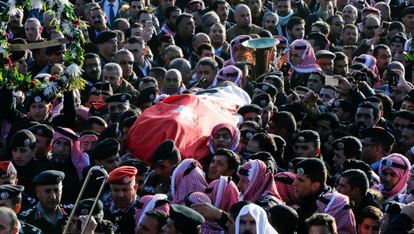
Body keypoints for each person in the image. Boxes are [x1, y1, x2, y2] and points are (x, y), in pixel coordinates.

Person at [293, 158, 331, 234]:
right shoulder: (310, 199)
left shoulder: (324, 208)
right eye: (295, 178)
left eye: (300, 180)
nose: (294, 183)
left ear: (315, 186)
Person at [104, 166, 138, 234]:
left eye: (125, 190)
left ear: (135, 188)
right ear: (111, 189)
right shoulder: (104, 206)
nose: (120, 195)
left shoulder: (140, 212)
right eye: (116, 190)